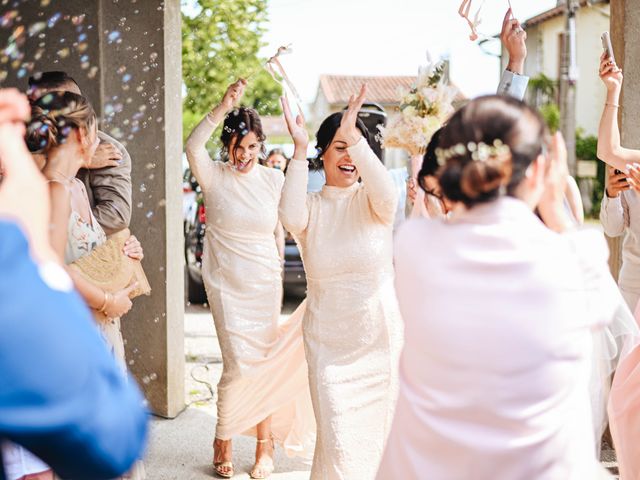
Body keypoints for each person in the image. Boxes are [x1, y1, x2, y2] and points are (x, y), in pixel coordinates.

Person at [377, 95, 619, 479]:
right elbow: (605, 311)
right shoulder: (576, 255)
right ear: (541, 169)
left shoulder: (415, 245)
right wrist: (556, 210)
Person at [0, 88, 148, 480]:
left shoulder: (72, 188)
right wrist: (106, 297)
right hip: (81, 328)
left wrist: (123, 251)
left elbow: (79, 251)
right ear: (84, 135)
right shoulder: (53, 192)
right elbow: (118, 437)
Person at [184, 79, 314, 479]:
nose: (243, 156)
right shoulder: (213, 175)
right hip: (225, 283)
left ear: (261, 146)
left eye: (252, 148)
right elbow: (192, 146)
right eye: (237, 148)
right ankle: (222, 437)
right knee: (238, 363)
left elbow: (286, 225)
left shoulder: (273, 180)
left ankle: (264, 445)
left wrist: (281, 264)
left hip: (263, 281)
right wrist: (222, 106)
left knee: (264, 362)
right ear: (229, 147)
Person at [279, 86, 403, 479]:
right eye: (339, 146)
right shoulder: (311, 210)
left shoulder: (375, 203)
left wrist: (354, 134)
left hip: (379, 344)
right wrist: (298, 151)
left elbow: (386, 190)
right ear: (323, 154)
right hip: (329, 348)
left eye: (356, 147)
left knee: (380, 445)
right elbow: (289, 216)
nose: (348, 156)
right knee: (339, 444)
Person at [28, 71, 132, 235]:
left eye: (47, 104)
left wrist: (116, 245)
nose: (36, 113)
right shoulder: (17, 139)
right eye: (32, 103)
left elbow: (116, 215)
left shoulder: (106, 149)